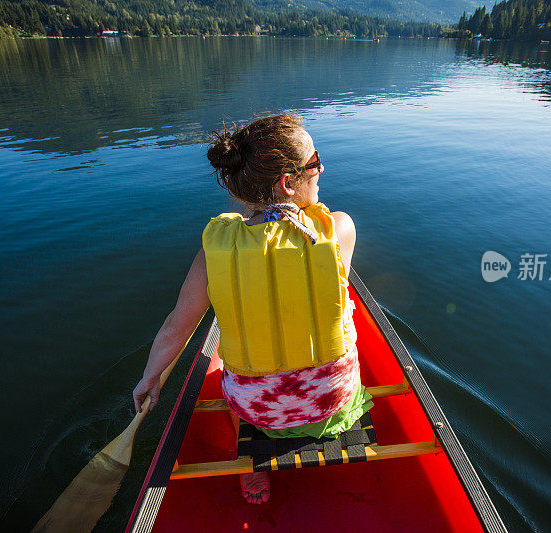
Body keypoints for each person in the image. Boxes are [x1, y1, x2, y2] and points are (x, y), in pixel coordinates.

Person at [132, 113, 373, 505]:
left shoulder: (215, 252)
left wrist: (150, 378)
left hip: (259, 411)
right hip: (332, 401)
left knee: (240, 380)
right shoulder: (339, 229)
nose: (322, 167)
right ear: (287, 182)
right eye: (314, 161)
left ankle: (251, 454)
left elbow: (177, 327)